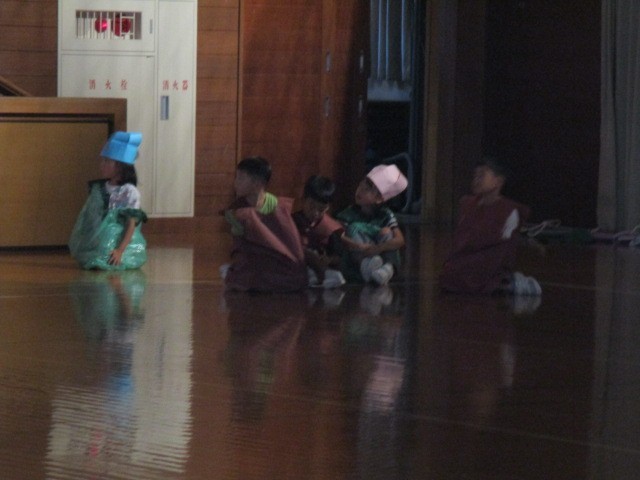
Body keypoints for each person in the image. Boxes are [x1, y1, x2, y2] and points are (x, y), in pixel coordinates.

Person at [439, 157, 542, 296]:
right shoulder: (467, 204)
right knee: (451, 273)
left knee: (477, 274)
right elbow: (460, 238)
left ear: (498, 181)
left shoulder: (509, 210)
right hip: (467, 258)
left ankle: (508, 283)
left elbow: (502, 247)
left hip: (488, 261)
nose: (476, 180)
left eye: (481, 176)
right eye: (475, 176)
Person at [220, 156, 308, 292]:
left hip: (279, 263)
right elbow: (241, 248)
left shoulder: (279, 207)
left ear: (257, 183)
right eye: (236, 177)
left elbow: (291, 243)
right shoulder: (237, 212)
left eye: (241, 178)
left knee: (296, 275)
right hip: (256, 263)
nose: (235, 183)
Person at [69, 131, 147, 270]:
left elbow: (131, 224)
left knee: (108, 242)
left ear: (120, 166)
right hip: (98, 240)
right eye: (102, 160)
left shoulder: (129, 192)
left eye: (107, 161)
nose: (102, 165)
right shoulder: (99, 188)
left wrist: (120, 251)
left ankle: (113, 255)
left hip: (120, 241)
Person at [336, 164, 408, 285]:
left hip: (377, 253)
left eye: (367, 189)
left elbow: (400, 240)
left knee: (387, 232)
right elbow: (338, 235)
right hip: (359, 255)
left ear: (379, 199)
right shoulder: (348, 213)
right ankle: (365, 266)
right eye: (360, 185)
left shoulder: (385, 214)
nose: (360, 191)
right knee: (353, 228)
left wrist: (378, 248)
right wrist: (359, 246)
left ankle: (387, 269)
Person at [292, 175, 346, 289]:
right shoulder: (292, 221)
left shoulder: (330, 227)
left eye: (321, 209)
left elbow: (338, 256)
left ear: (328, 208)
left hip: (322, 268)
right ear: (303, 199)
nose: (315, 213)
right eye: (311, 206)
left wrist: (328, 260)